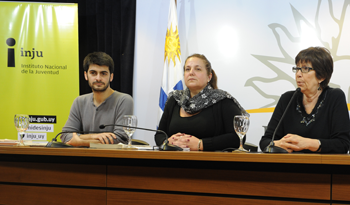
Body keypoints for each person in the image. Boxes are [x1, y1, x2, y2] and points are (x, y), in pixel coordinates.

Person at [260, 47, 350, 153]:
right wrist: (276, 144)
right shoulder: (287, 99)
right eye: (297, 68)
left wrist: (308, 143)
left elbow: (343, 144)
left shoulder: (334, 97)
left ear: (321, 76)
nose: (298, 74)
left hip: (323, 167)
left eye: (305, 69)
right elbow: (265, 141)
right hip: (289, 167)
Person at [155, 54, 249, 151]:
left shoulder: (223, 100)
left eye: (198, 69)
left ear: (209, 76)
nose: (191, 73)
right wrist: (167, 142)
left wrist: (201, 144)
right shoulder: (174, 99)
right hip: (173, 162)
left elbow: (237, 138)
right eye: (187, 69)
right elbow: (160, 135)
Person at [61, 52, 133, 146]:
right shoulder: (79, 101)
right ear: (86, 75)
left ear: (111, 77)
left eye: (103, 73)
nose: (98, 78)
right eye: (93, 73)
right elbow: (65, 135)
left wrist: (81, 141)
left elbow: (120, 139)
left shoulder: (124, 100)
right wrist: (94, 136)